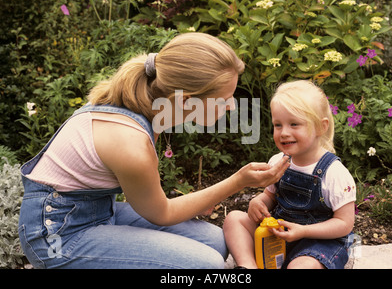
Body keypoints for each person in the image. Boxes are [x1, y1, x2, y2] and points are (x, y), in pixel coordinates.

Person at [18, 32, 290, 269]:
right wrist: (238, 181)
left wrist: (202, 199)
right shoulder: (130, 143)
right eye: (224, 99)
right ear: (185, 100)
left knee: (219, 242)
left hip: (98, 212)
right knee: (204, 265)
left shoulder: (148, 108)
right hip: (56, 236)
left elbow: (153, 201)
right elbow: (162, 213)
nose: (231, 107)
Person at [223, 80, 356, 269]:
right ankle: (248, 266)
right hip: (278, 235)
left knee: (302, 266)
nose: (284, 132)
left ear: (321, 126)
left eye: (294, 124)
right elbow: (270, 195)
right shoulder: (278, 161)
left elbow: (344, 223)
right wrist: (258, 202)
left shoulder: (334, 172)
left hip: (317, 243)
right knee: (234, 219)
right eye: (278, 125)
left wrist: (303, 231)